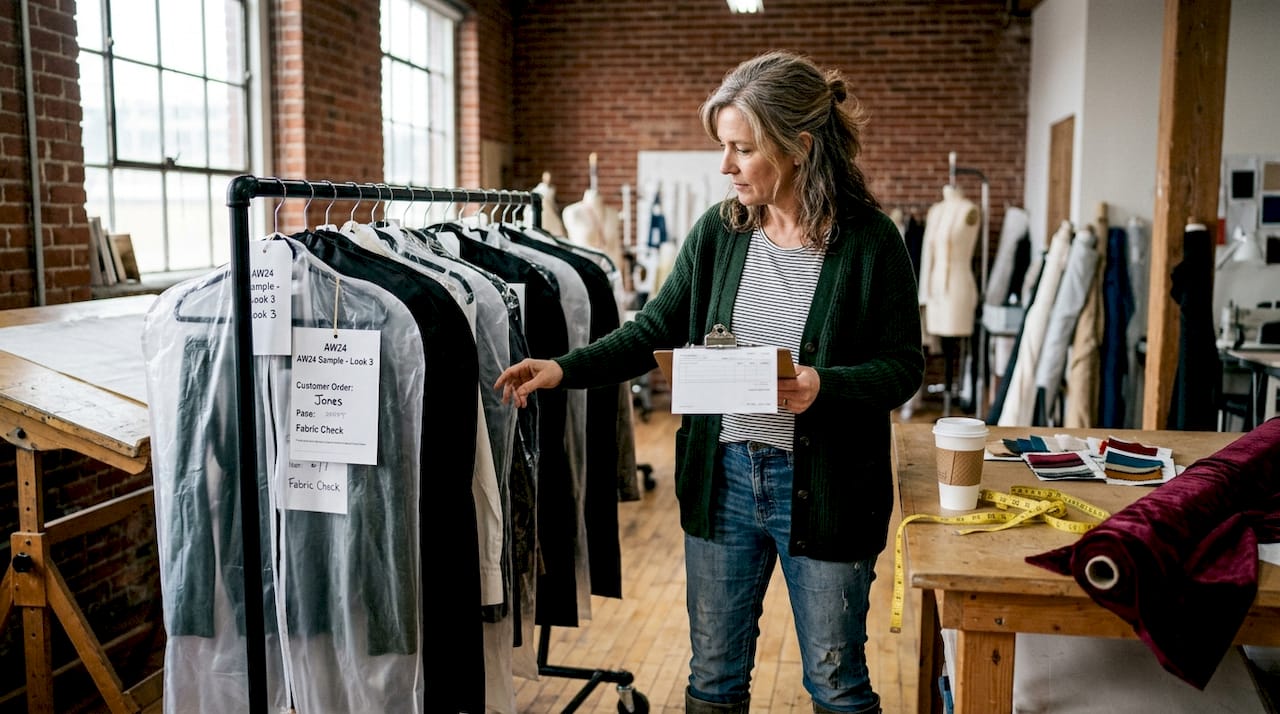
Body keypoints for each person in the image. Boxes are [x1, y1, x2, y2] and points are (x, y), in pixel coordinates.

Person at [495, 50, 923, 714]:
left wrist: (823, 385)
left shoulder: (872, 243)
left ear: (799, 146)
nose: (725, 166)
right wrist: (564, 368)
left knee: (837, 683)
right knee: (714, 678)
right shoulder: (719, 234)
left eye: (741, 149)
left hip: (828, 487)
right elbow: (652, 332)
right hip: (722, 478)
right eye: (723, 146)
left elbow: (904, 367)